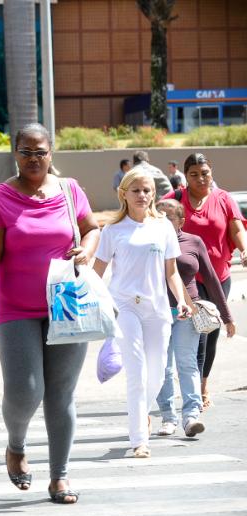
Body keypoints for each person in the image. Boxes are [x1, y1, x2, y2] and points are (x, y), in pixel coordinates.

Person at [0, 123, 100, 504]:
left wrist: (89, 249)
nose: (33, 159)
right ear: (15, 153)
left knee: (61, 394)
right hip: (15, 308)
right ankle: (16, 445)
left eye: (40, 152)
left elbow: (92, 228)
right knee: (26, 390)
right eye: (25, 151)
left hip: (66, 304)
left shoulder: (69, 189)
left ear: (51, 153)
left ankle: (59, 476)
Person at [92, 167, 190, 460]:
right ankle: (139, 439)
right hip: (125, 307)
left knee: (157, 374)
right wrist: (104, 305)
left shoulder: (163, 228)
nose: (143, 196)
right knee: (136, 372)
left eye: (147, 190)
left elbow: (171, 272)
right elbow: (97, 273)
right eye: (136, 190)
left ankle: (142, 415)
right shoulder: (111, 230)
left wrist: (182, 300)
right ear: (124, 194)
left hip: (158, 308)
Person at [162, 153, 247, 408]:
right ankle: (194, 391)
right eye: (194, 174)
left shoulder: (223, 199)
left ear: (212, 172)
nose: (201, 178)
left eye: (205, 173)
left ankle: (202, 383)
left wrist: (244, 249)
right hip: (187, 278)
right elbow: (152, 220)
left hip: (218, 276)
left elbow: (236, 227)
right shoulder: (175, 199)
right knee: (195, 333)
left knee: (211, 331)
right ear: (185, 177)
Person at [154, 199, 234, 438]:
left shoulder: (193, 242)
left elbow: (211, 278)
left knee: (187, 362)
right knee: (163, 367)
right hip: (156, 313)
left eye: (169, 218)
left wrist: (227, 316)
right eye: (159, 217)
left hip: (187, 311)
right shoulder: (148, 243)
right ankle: (168, 417)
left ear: (181, 220)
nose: (163, 222)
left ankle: (191, 416)